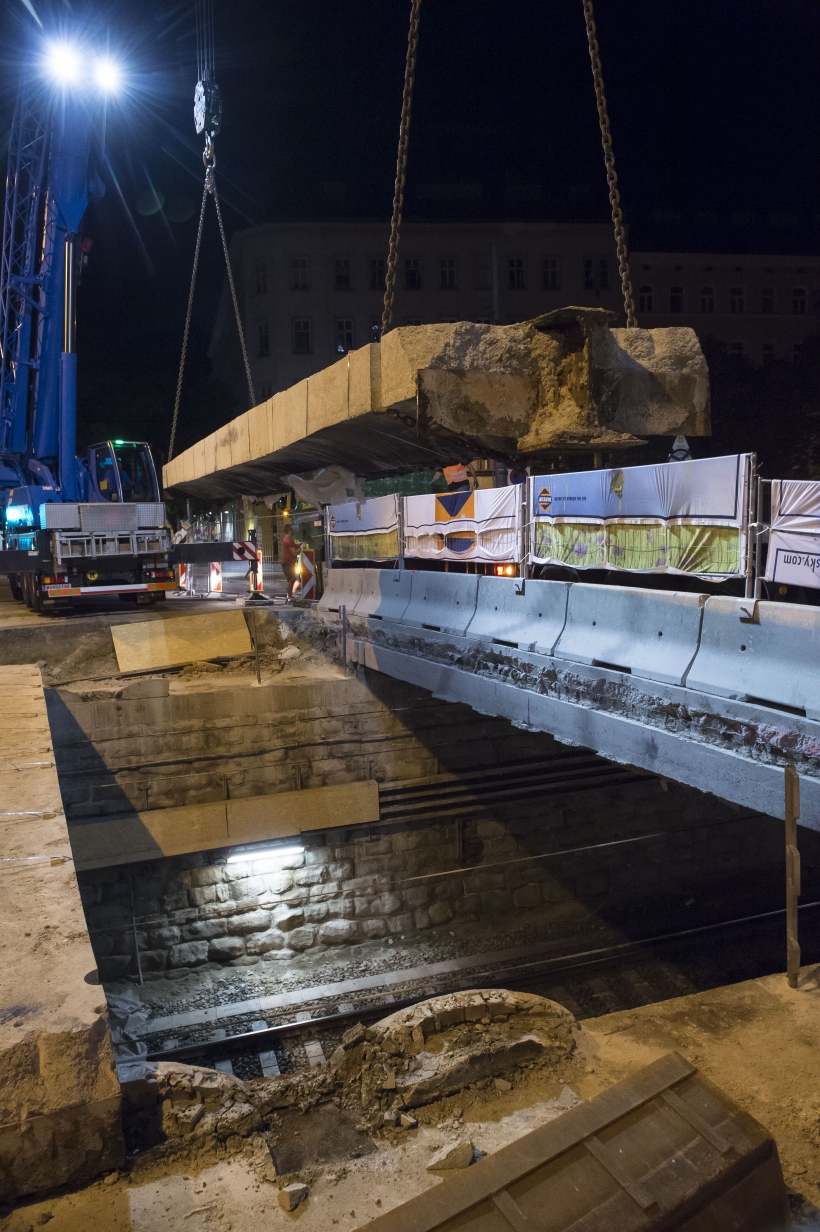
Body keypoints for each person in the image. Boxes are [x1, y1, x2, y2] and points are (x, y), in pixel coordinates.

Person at [281, 524, 299, 598]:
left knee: (292, 579)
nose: (293, 530)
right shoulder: (289, 540)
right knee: (292, 579)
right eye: (292, 529)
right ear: (289, 531)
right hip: (288, 563)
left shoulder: (286, 539)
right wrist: (301, 547)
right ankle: (289, 597)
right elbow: (294, 552)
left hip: (287, 562)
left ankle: (289, 596)